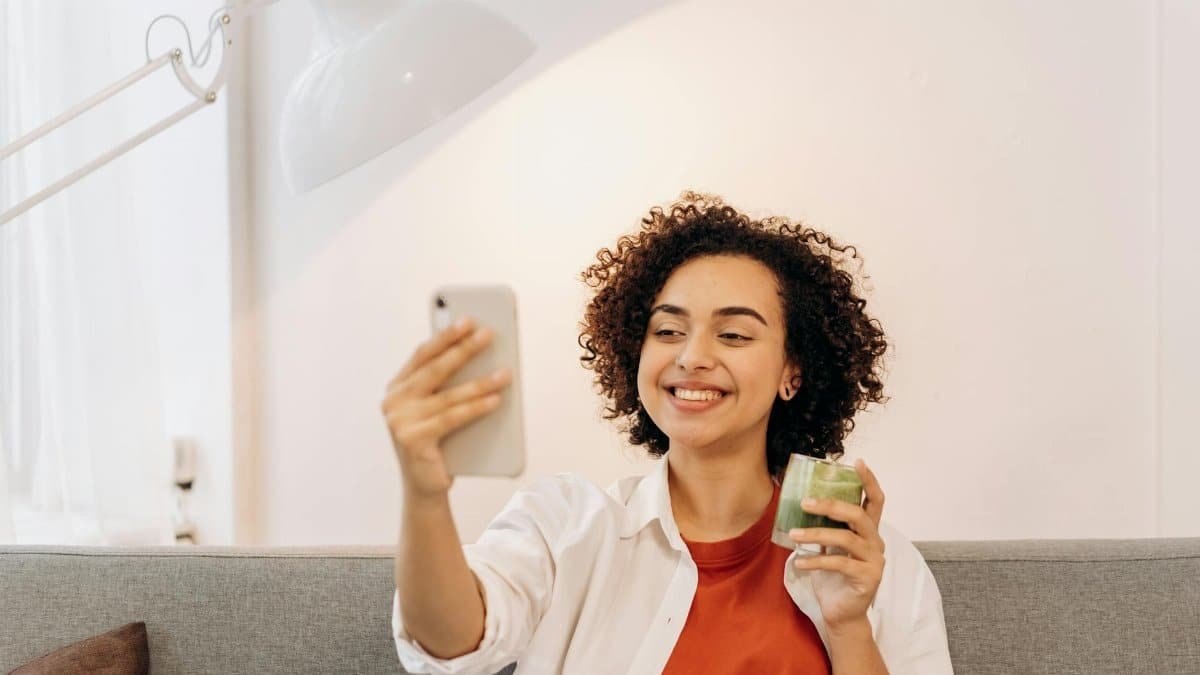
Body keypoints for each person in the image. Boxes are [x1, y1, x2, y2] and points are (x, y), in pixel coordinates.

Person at [384, 191, 953, 674]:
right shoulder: (566, 523)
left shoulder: (873, 563)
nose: (692, 356)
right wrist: (425, 495)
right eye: (668, 330)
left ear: (792, 372)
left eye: (733, 335)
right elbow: (450, 645)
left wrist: (848, 623)